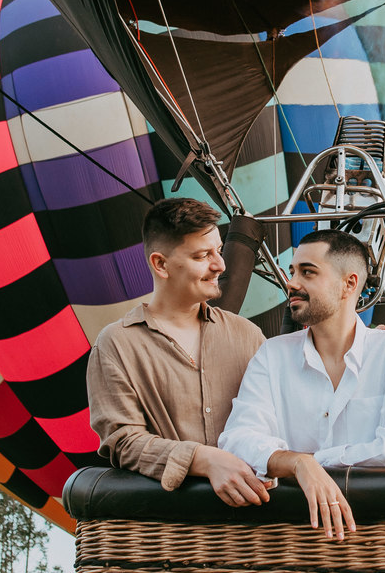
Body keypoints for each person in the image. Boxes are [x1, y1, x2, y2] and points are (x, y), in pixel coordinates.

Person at [219, 229, 385, 540]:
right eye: (293, 271)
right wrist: (297, 463)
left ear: (349, 284)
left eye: (307, 272)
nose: (292, 283)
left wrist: (308, 463)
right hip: (288, 538)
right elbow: (237, 439)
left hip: (379, 537)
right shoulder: (272, 354)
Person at [86, 197, 271, 507]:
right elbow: (123, 441)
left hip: (254, 520)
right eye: (202, 256)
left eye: (219, 251)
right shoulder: (117, 344)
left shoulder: (248, 336)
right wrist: (203, 459)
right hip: (172, 522)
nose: (220, 265)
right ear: (161, 264)